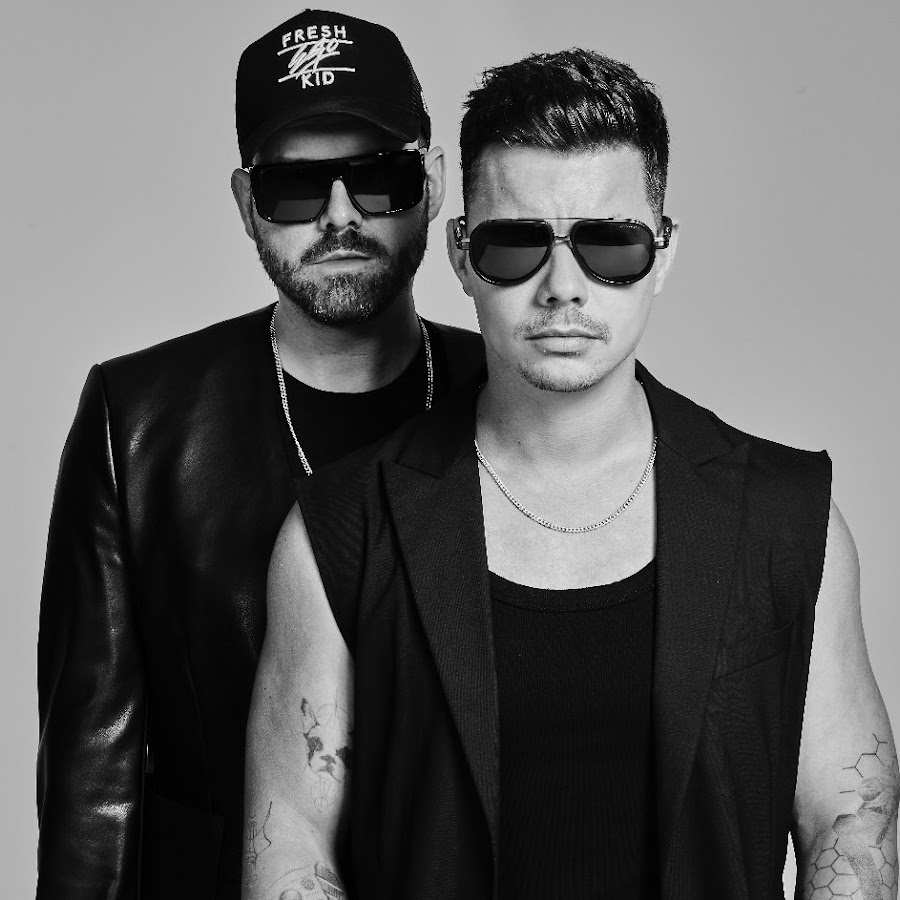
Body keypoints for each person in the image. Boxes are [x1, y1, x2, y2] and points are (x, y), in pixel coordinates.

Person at [244, 47, 898, 900]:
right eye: (515, 244)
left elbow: (851, 820)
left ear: (663, 253)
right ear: (461, 255)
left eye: (609, 245)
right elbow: (292, 840)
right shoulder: (341, 531)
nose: (563, 288)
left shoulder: (788, 521)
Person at [36, 10, 484, 899]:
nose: (341, 217)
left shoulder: (512, 398)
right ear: (247, 205)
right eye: (294, 189)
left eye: (380, 179)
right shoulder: (138, 422)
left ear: (433, 184)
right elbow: (92, 791)